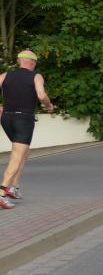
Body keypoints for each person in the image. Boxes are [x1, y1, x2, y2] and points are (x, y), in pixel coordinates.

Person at [0, 50, 55, 209]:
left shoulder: (5, 75)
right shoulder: (36, 76)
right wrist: (49, 105)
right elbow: (41, 95)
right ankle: (2, 193)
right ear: (33, 63)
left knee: (24, 152)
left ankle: (14, 186)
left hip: (6, 119)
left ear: (19, 61)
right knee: (17, 155)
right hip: (23, 119)